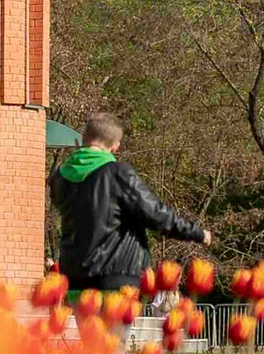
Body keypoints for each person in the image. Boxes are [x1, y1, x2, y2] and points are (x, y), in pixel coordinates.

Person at [52, 115, 213, 293]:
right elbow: (155, 213)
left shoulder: (60, 176)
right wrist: (197, 233)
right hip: (115, 274)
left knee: (88, 321)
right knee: (114, 321)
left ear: (84, 138)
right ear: (115, 146)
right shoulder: (117, 173)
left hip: (75, 276)